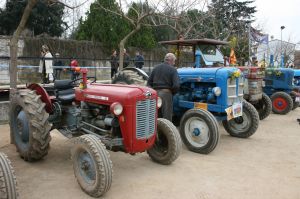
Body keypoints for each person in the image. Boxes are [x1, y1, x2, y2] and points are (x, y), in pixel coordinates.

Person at [147, 53, 180, 121]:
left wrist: (152, 92)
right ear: (171, 60)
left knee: (154, 115)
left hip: (154, 94)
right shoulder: (173, 69)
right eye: (174, 62)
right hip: (166, 94)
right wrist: (171, 93)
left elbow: (148, 83)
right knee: (167, 116)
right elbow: (176, 85)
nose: (174, 64)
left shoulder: (155, 68)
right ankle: (165, 131)